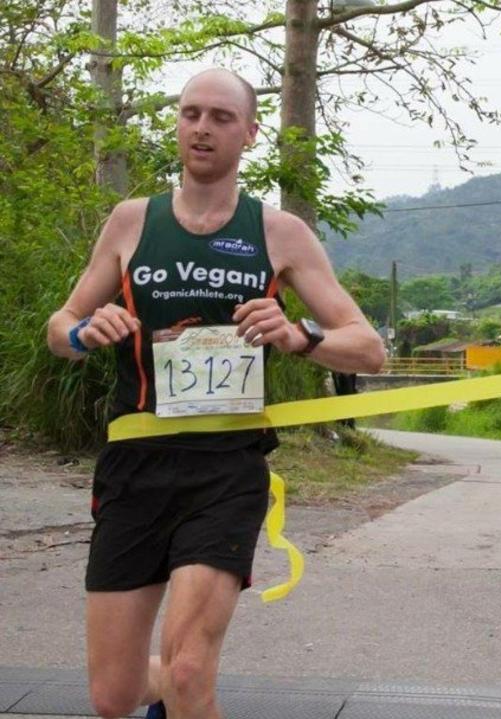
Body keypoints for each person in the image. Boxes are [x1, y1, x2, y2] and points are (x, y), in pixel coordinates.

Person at [45, 68, 384, 719]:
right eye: (191, 113)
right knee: (112, 696)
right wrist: (89, 329)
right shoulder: (129, 222)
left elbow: (366, 346)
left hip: (225, 470)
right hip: (134, 468)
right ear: (177, 123)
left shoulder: (277, 232)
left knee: (191, 670)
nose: (202, 127)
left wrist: (297, 334)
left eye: (221, 117)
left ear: (250, 133)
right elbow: (59, 329)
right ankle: (157, 689)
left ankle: (177, 685)